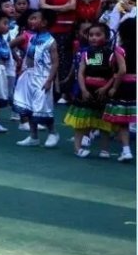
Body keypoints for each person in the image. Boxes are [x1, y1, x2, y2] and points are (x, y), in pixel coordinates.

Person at [65, 23, 120, 158]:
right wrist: (83, 89)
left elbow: (115, 74)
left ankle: (104, 150)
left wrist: (106, 88)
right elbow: (80, 73)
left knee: (104, 123)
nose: (93, 38)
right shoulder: (86, 53)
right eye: (91, 35)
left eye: (98, 35)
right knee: (82, 122)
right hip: (87, 91)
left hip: (103, 93)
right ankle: (77, 148)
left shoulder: (111, 54)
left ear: (106, 37)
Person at [13, 9, 60, 148]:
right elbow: (26, 54)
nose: (30, 21)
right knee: (29, 107)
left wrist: (49, 80)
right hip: (29, 75)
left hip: (43, 77)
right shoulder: (32, 37)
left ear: (44, 22)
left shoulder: (50, 41)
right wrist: (20, 62)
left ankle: (53, 133)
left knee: (42, 107)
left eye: (34, 18)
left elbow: (55, 62)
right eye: (30, 18)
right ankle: (34, 136)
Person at [102, 17, 135, 162]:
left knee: (123, 121)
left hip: (126, 85)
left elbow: (122, 70)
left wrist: (114, 87)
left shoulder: (120, 49)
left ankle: (126, 150)